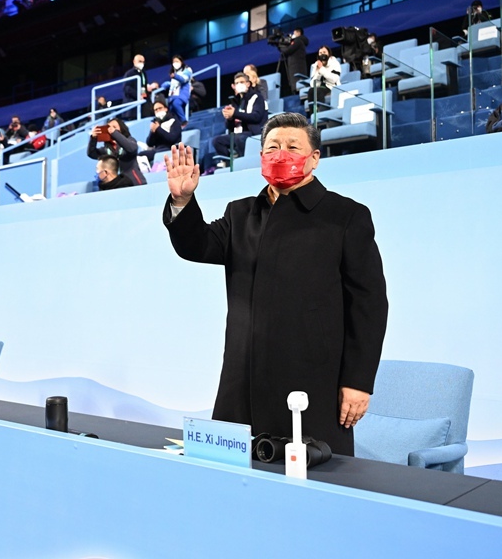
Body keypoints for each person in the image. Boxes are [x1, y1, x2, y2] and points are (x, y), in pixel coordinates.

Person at [163, 112, 389, 456]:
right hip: (241, 379)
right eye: (272, 147)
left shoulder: (345, 215)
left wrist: (357, 381)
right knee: (231, 476)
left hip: (313, 383)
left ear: (314, 157)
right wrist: (182, 201)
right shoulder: (240, 214)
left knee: (313, 477)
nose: (281, 154)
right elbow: (197, 246)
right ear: (261, 156)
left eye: (292, 147)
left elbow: (368, 304)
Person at [203, 72, 267, 173]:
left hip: (253, 133)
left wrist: (235, 114)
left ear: (248, 84)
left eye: (241, 82)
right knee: (217, 141)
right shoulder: (236, 101)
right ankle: (228, 163)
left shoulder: (257, 97)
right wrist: (229, 118)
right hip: (238, 134)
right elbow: (229, 127)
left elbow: (256, 117)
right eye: (237, 83)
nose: (239, 85)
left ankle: (242, 163)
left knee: (239, 138)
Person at [87, 119, 146, 186]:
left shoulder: (130, 140)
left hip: (135, 182)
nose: (111, 129)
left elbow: (131, 149)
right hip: (118, 184)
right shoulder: (107, 149)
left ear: (122, 128)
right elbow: (91, 153)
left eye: (114, 127)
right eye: (109, 127)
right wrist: (93, 138)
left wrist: (114, 133)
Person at [140, 101, 182, 166]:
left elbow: (172, 138)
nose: (158, 111)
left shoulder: (174, 121)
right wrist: (152, 131)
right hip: (157, 149)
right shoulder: (156, 123)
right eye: (156, 110)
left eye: (160, 108)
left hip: (170, 148)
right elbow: (149, 143)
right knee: (140, 155)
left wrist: (158, 129)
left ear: (166, 109)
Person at [309, 45, 342, 110]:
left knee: (318, 91)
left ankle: (322, 112)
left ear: (329, 54)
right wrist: (318, 73)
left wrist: (322, 69)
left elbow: (334, 79)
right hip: (320, 87)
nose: (322, 54)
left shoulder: (335, 63)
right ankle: (313, 114)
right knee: (311, 91)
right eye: (320, 53)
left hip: (332, 87)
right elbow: (312, 84)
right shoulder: (315, 65)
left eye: (324, 52)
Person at [280, 27, 309, 94]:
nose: (293, 34)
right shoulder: (299, 42)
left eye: (294, 32)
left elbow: (288, 50)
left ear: (298, 33)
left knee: (297, 85)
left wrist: (281, 47)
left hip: (296, 67)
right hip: (296, 66)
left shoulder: (298, 41)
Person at [167, 55, 193, 126]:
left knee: (176, 103)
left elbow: (184, 79)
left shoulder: (187, 70)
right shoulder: (174, 73)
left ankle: (184, 121)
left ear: (181, 62)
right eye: (174, 62)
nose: (175, 63)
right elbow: (172, 85)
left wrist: (175, 76)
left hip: (182, 94)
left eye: (177, 61)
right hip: (172, 96)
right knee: (171, 111)